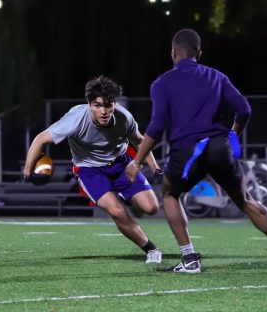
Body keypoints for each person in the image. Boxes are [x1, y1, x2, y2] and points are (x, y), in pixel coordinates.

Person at [125, 28, 267, 273]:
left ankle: (189, 258)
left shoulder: (162, 83)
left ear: (173, 53)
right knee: (245, 200)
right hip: (219, 146)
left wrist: (137, 161)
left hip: (188, 151)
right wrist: (232, 134)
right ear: (199, 53)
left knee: (170, 192)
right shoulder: (217, 77)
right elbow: (244, 110)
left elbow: (157, 126)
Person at [23, 75, 163, 264]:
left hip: (121, 163)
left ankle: (130, 201)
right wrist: (27, 170)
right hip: (90, 171)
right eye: (98, 105)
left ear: (115, 103)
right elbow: (40, 139)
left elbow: (139, 141)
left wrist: (155, 168)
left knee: (151, 208)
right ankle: (151, 250)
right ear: (89, 104)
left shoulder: (124, 117)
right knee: (117, 212)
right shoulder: (74, 119)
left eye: (108, 105)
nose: (104, 111)